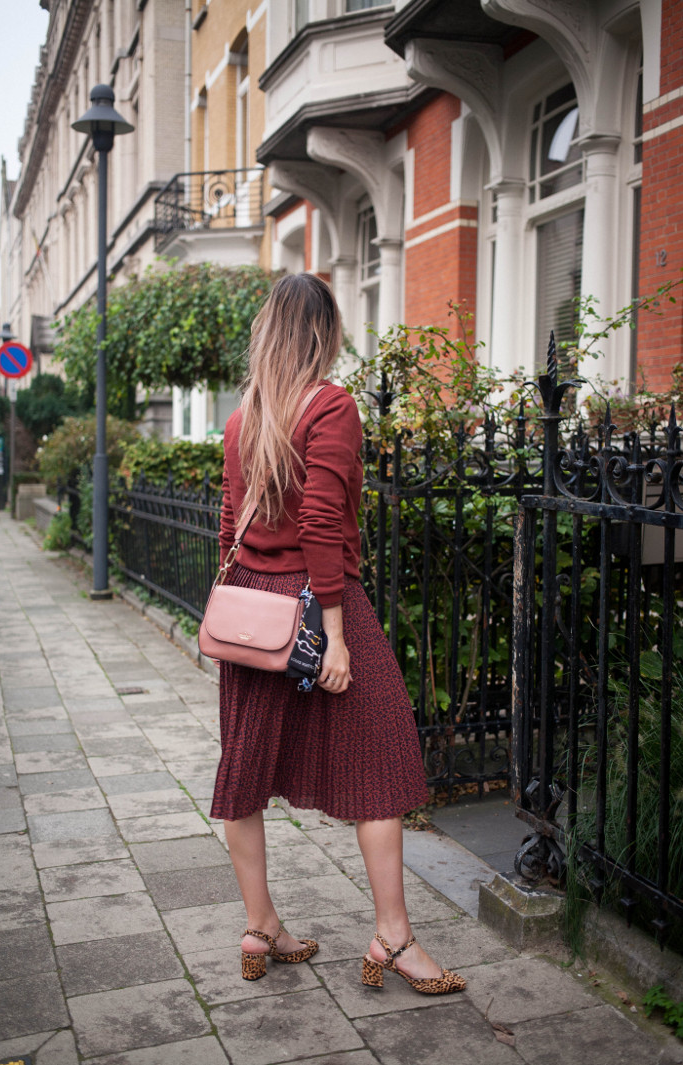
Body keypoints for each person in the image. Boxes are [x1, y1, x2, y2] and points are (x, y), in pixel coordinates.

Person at [211, 272, 465, 995]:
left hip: (252, 612)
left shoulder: (243, 418)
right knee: (383, 755)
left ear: (269, 330)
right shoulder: (332, 407)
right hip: (319, 604)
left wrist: (236, 604)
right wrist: (336, 634)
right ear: (325, 333)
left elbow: (229, 528)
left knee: (245, 769)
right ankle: (394, 936)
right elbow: (322, 523)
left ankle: (261, 923)